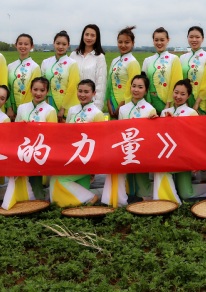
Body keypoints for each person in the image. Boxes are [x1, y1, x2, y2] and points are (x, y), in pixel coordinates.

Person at [102, 74, 157, 208]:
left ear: (146, 90)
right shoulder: (123, 109)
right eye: (134, 86)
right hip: (126, 148)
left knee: (141, 178)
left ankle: (145, 198)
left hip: (142, 149)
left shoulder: (149, 109)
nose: (136, 90)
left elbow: (152, 132)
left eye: (140, 87)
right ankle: (129, 198)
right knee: (128, 176)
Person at [46, 79, 103, 208]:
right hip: (71, 157)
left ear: (94, 93)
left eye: (86, 92)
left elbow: (99, 140)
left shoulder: (97, 114)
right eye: (80, 91)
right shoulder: (72, 110)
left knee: (59, 180)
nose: (82, 94)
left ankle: (90, 199)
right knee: (78, 192)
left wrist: (94, 167)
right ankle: (77, 207)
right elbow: (67, 135)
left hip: (86, 159)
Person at [9, 76, 56, 205]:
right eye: (35, 89)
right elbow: (15, 129)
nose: (38, 93)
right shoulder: (22, 108)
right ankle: (22, 200)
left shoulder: (50, 110)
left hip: (40, 151)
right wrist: (20, 125)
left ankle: (38, 200)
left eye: (42, 90)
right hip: (23, 149)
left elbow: (52, 134)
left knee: (36, 177)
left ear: (47, 92)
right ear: (30, 90)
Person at [157, 79, 205, 204]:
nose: (178, 96)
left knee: (186, 194)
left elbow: (196, 139)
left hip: (184, 157)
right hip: (168, 157)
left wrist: (196, 161)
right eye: (176, 92)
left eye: (183, 94)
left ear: (188, 96)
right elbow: (160, 135)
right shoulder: (164, 112)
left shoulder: (191, 113)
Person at [142, 27, 183, 116]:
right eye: (156, 40)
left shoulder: (174, 59)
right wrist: (148, 103)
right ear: (153, 41)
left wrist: (168, 104)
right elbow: (144, 83)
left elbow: (176, 83)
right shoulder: (147, 60)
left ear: (168, 40)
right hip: (150, 103)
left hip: (168, 103)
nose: (159, 43)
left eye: (162, 40)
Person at [41, 31, 80, 122]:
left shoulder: (72, 64)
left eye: (64, 44)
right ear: (54, 43)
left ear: (68, 45)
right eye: (58, 43)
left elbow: (72, 88)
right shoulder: (46, 62)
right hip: (48, 102)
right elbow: (42, 83)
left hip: (66, 104)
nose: (60, 47)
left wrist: (63, 108)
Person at [70, 24, 107, 112]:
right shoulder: (73, 55)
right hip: (73, 102)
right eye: (86, 34)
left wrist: (97, 107)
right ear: (83, 35)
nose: (89, 38)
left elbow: (101, 84)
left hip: (91, 103)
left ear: (97, 38)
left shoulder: (99, 57)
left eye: (92, 35)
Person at [179, 26, 206, 115]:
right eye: (191, 37)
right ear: (187, 38)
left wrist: (197, 102)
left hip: (201, 100)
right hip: (184, 100)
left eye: (197, 37)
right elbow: (180, 80)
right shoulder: (182, 58)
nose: (194, 40)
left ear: (202, 39)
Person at [106, 26, 141, 119]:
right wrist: (108, 103)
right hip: (112, 103)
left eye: (127, 42)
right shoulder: (114, 61)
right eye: (120, 42)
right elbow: (109, 84)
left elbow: (134, 87)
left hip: (126, 105)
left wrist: (121, 106)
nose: (123, 45)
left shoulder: (133, 62)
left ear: (133, 43)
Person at [6, 34, 41, 121]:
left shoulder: (35, 67)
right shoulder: (10, 66)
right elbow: (6, 87)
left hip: (27, 109)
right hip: (11, 108)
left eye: (26, 44)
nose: (23, 46)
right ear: (16, 45)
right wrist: (9, 107)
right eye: (20, 43)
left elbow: (34, 90)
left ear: (31, 46)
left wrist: (24, 110)